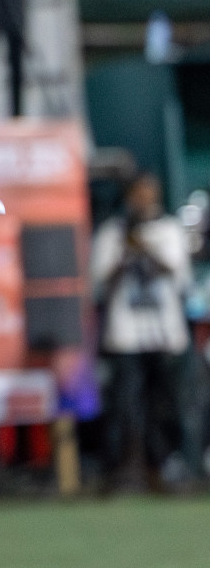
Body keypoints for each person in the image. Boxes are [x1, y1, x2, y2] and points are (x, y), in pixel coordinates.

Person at [93, 173, 191, 490]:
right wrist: (125, 251)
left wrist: (143, 247)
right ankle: (126, 470)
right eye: (139, 194)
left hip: (165, 334)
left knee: (168, 403)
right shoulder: (112, 233)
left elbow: (179, 277)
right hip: (126, 336)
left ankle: (168, 466)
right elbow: (99, 284)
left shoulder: (169, 230)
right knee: (126, 405)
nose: (145, 200)